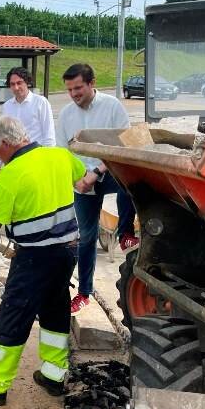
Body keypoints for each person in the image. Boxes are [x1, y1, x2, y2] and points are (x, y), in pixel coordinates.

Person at [0, 116, 87, 404]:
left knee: (13, 316)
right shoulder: (60, 155)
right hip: (67, 251)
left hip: (34, 257)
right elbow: (82, 181)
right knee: (55, 310)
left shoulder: (11, 174)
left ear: (6, 143)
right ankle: (54, 376)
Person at [56, 63, 139, 315]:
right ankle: (84, 293)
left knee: (131, 180)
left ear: (92, 84)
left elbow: (123, 146)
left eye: (78, 88)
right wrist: (76, 179)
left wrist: (97, 172)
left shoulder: (112, 106)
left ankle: (125, 232)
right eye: (70, 90)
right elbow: (62, 154)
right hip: (82, 180)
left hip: (109, 169)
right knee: (86, 238)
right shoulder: (66, 115)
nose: (74, 94)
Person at [0, 66, 56, 176]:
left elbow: (49, 135)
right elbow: (3, 137)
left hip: (37, 159)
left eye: (19, 83)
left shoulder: (41, 102)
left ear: (27, 82)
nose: (16, 87)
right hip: (14, 161)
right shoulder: (7, 106)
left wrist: (47, 162)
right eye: (12, 84)